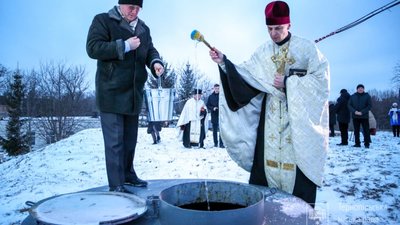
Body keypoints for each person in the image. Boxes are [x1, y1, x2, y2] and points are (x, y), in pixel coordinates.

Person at [208, 1, 329, 205]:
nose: (274, 34)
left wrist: (289, 82)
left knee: (298, 191)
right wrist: (223, 62)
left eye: (278, 28)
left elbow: (321, 81)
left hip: (297, 126)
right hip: (270, 121)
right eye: (270, 29)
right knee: (265, 191)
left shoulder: (307, 49)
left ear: (289, 25)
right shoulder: (263, 52)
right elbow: (246, 75)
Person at [86, 0, 165, 193]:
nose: (135, 11)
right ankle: (116, 184)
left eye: (138, 8)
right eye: (131, 7)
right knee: (115, 143)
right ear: (120, 5)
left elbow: (150, 50)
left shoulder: (143, 28)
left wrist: (155, 62)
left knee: (130, 140)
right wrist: (125, 46)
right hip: (111, 92)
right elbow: (93, 48)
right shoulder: (104, 20)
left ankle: (128, 175)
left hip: (134, 94)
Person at [348, 84, 372, 148]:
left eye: (361, 88)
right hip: (355, 116)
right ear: (357, 89)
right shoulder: (352, 96)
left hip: (364, 116)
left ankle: (367, 144)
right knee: (356, 130)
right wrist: (355, 111)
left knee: (366, 130)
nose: (360, 89)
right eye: (359, 88)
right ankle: (357, 143)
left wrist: (362, 112)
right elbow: (349, 105)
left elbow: (369, 106)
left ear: (363, 89)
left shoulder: (367, 96)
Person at [206, 84, 224, 148]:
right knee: (215, 131)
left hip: (221, 115)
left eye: (218, 88)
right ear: (213, 88)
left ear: (219, 89)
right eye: (216, 88)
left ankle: (221, 144)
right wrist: (213, 108)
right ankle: (215, 143)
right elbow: (208, 105)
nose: (217, 89)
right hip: (214, 115)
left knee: (221, 130)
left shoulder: (222, 96)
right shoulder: (210, 97)